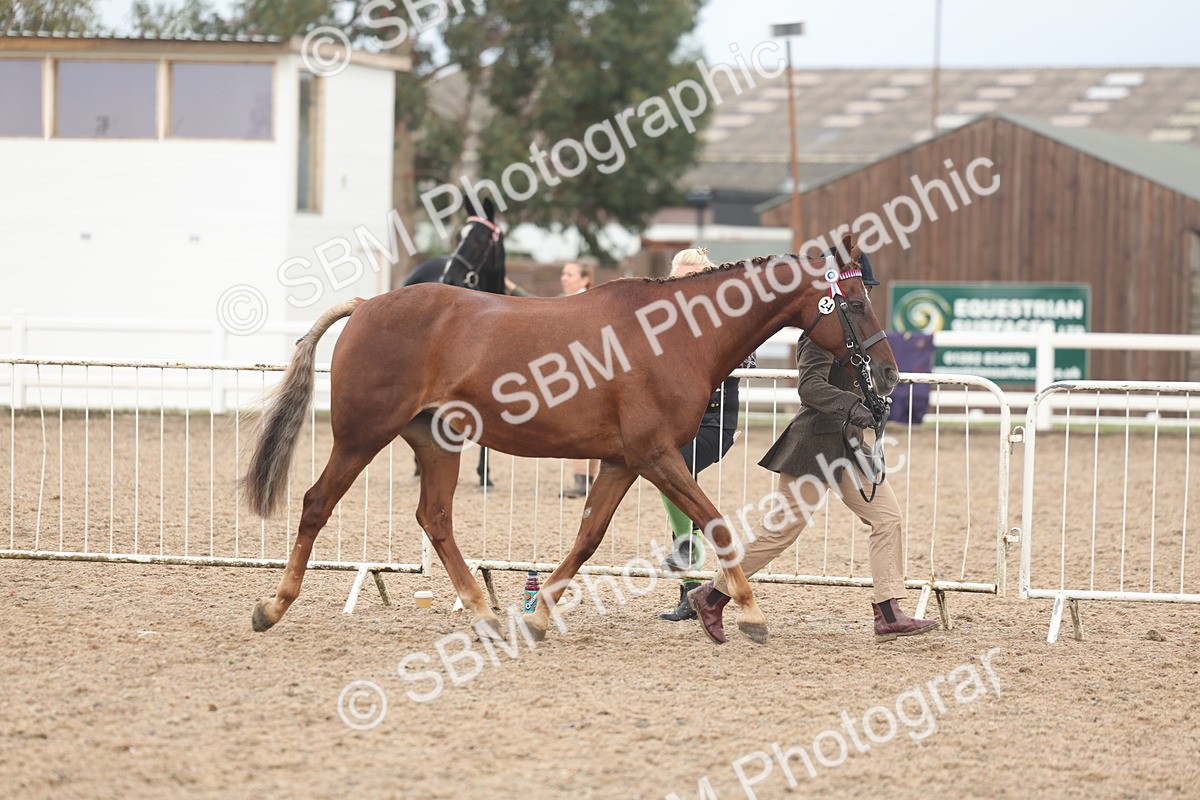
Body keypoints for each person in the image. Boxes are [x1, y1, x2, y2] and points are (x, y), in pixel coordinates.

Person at [686, 248, 940, 644]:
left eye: (867, 290)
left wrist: (874, 400)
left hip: (850, 445)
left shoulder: (859, 333)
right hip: (815, 444)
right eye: (861, 291)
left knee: (887, 518)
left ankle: (888, 611)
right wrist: (851, 404)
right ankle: (712, 594)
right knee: (782, 530)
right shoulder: (821, 333)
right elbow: (810, 387)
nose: (865, 298)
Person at [656, 248, 757, 622]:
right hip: (674, 421)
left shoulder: (729, 319)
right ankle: (691, 591)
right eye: (678, 282)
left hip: (715, 421)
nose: (683, 289)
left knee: (675, 468)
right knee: (675, 479)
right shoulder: (663, 323)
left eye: (692, 281)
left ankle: (688, 554)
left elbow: (744, 361)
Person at [560, 261, 598, 498]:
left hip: (583, 371)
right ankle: (585, 480)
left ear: (585, 279)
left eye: (570, 274)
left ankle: (582, 480)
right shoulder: (565, 301)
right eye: (563, 273)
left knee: (579, 427)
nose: (564, 278)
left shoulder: (588, 303)